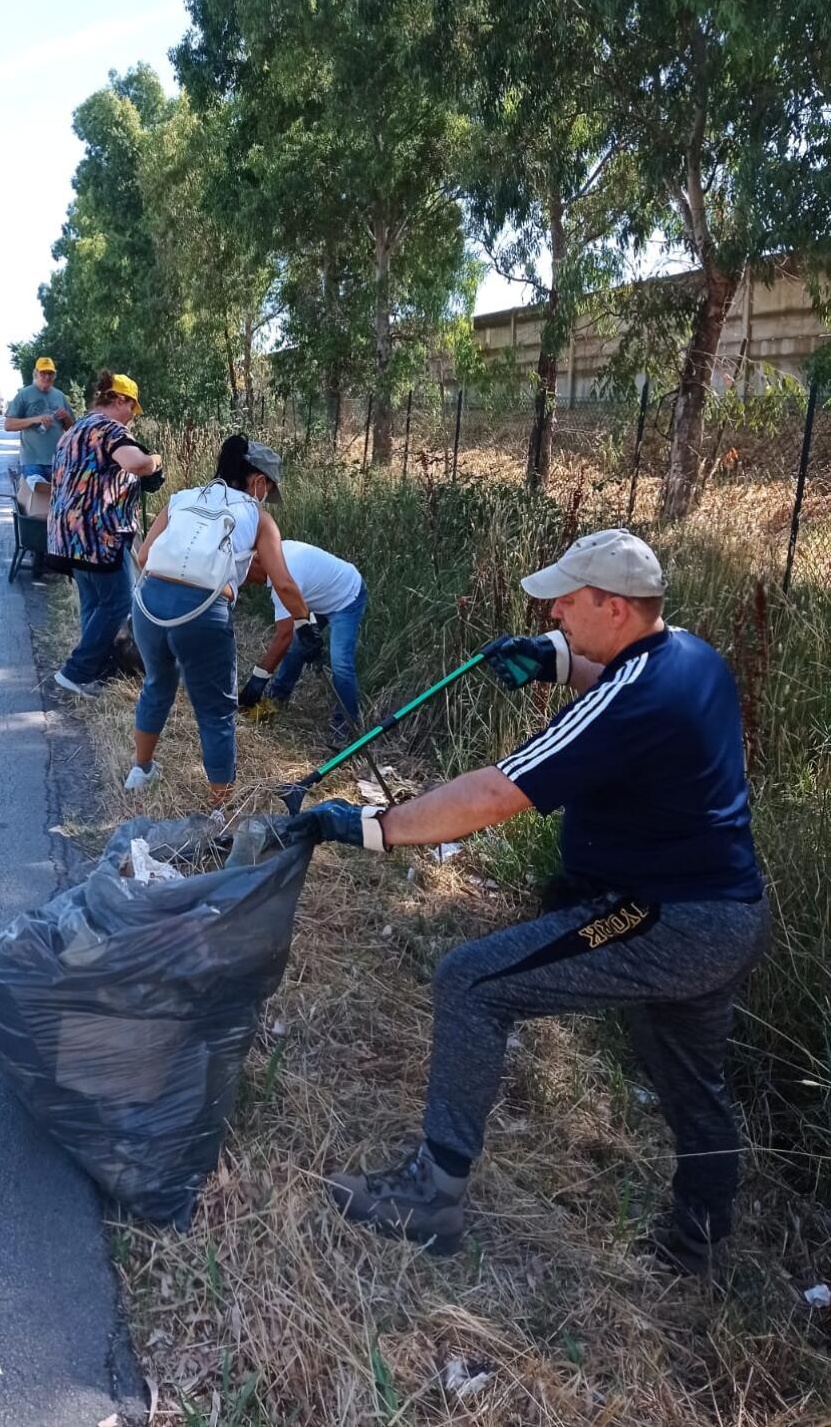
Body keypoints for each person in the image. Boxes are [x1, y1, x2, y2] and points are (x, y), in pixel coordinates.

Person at [285, 529, 769, 1274]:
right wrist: (557, 659)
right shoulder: (692, 657)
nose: (555, 616)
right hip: (728, 912)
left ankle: (432, 1196)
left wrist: (375, 828)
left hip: (664, 915)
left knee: (472, 982)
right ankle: (700, 1236)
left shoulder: (631, 697)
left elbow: (495, 791)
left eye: (567, 606)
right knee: (688, 1072)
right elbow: (616, 689)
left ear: (612, 607)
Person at [128, 436, 322, 809]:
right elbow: (282, 581)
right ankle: (220, 812)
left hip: (149, 604)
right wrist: (305, 623)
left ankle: (141, 770)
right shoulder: (259, 518)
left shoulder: (181, 499)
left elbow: (144, 556)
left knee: (157, 684)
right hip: (202, 615)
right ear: (259, 482)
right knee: (216, 711)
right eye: (269, 488)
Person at [49, 371, 161, 698]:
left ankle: (91, 671)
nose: (132, 418)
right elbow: (136, 463)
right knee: (118, 602)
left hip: (66, 536)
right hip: (99, 536)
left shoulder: (74, 431)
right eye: (131, 409)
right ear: (118, 400)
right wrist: (153, 461)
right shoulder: (109, 428)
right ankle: (76, 670)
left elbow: (96, 475)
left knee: (95, 603)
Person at [240, 540, 367, 737]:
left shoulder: (285, 577)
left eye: (246, 575)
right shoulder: (273, 553)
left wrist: (257, 681)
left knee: (340, 663)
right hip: (314, 597)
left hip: (346, 597)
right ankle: (276, 701)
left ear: (256, 561)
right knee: (296, 649)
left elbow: (283, 635)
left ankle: (345, 728)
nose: (247, 582)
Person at [5, 357, 75, 482]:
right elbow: (8, 425)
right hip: (32, 461)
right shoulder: (24, 395)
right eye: (43, 373)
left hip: (57, 461)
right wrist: (35, 419)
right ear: (36, 373)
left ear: (54, 375)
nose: (47, 377)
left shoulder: (60, 396)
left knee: (57, 500)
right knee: (36, 499)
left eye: (50, 373)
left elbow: (72, 430)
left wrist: (66, 417)